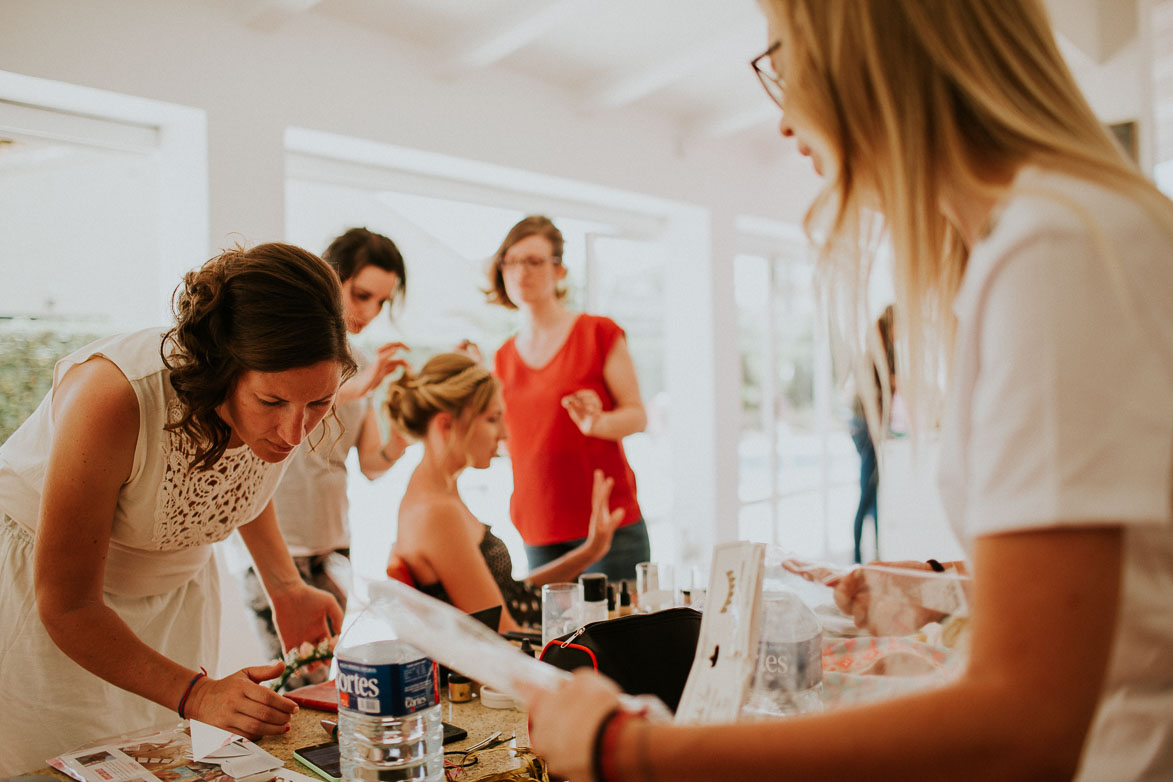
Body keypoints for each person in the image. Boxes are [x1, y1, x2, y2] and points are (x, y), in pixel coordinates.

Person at [523, 2, 1173, 780]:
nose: (783, 118)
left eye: (787, 61)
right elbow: (1130, 586)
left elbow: (1026, 719)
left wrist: (632, 749)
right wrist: (926, 590)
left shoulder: (1054, 250)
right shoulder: (1057, 232)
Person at [0, 243, 352, 775]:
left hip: (174, 601)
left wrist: (285, 586)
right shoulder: (114, 396)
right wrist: (195, 693)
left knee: (167, 763)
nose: (295, 433)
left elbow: (237, 479)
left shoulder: (285, 400)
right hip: (44, 603)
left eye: (319, 404)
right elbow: (68, 604)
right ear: (220, 370)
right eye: (273, 403)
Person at [242, 227, 410, 669]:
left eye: (381, 302)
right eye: (361, 294)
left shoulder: (360, 368)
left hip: (333, 542)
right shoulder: (289, 351)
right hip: (280, 541)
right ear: (328, 276)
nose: (370, 312)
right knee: (292, 679)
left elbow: (371, 465)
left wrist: (400, 441)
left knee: (329, 677)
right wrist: (361, 386)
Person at [385, 353, 624, 633]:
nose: (504, 433)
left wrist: (591, 550)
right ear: (445, 425)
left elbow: (509, 594)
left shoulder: (441, 490)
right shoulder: (437, 512)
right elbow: (504, 633)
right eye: (492, 419)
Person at [488, 216, 650, 582]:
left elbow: (637, 416)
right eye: (511, 261)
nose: (520, 272)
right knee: (556, 639)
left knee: (615, 636)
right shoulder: (502, 357)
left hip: (608, 526)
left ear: (559, 271)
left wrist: (600, 423)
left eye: (534, 261)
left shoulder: (598, 333)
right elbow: (506, 443)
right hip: (538, 526)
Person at [848, 303, 896, 563]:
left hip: (863, 424)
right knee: (867, 491)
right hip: (866, 426)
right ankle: (857, 557)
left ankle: (876, 554)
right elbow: (879, 393)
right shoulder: (880, 354)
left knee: (874, 492)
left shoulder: (876, 352)